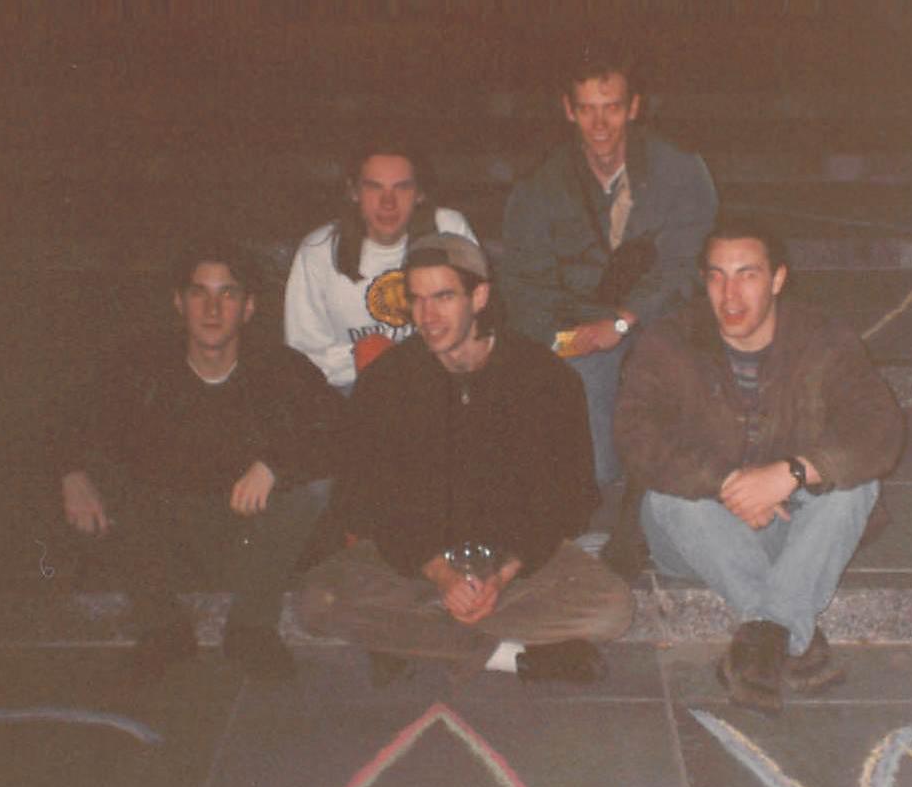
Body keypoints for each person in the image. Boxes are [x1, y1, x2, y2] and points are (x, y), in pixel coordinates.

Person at [296, 231, 633, 684]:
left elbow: (569, 502)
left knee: (613, 609)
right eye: (416, 300)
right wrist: (439, 574)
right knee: (317, 600)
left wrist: (502, 573)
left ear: (479, 296)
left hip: (513, 565)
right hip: (416, 561)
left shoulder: (544, 379)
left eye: (443, 297)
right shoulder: (388, 383)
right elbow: (364, 500)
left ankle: (407, 636)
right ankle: (512, 657)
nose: (427, 317)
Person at [614, 222, 904, 711]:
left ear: (777, 280)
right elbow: (636, 436)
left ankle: (763, 641)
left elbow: (879, 429)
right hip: (701, 530)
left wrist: (789, 474)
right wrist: (726, 484)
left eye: (747, 275)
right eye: (717, 277)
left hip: (792, 523)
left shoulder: (823, 340)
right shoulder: (669, 342)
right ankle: (792, 633)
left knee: (857, 489)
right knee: (665, 499)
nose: (730, 294)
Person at [55, 247, 343, 679]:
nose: (212, 309)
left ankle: (252, 627)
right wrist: (70, 473)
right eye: (199, 293)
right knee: (96, 480)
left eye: (227, 295)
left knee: (314, 487)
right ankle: (162, 628)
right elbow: (67, 418)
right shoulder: (139, 369)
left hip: (247, 534)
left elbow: (337, 430)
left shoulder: (281, 369)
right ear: (179, 302)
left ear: (247, 308)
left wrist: (274, 464)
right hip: (167, 534)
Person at [500, 48, 717, 490]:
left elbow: (688, 267)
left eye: (612, 108)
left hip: (662, 319)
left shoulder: (679, 169)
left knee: (692, 449)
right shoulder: (540, 183)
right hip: (581, 332)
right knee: (594, 470)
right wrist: (558, 343)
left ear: (634, 107)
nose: (600, 125)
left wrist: (622, 320)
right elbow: (524, 283)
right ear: (568, 110)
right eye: (587, 110)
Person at [284, 141, 475, 393]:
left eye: (402, 188)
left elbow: (477, 321)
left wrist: (401, 361)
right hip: (352, 385)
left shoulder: (449, 229)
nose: (388, 203)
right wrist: (365, 358)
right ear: (354, 192)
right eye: (374, 188)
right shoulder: (317, 251)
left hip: (438, 379)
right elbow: (303, 353)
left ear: (420, 193)